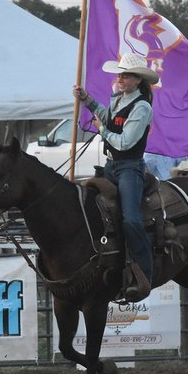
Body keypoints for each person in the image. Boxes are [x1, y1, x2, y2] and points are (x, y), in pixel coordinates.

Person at [74, 52, 158, 302]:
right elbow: (107, 115)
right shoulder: (118, 99)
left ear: (137, 80)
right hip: (112, 165)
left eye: (126, 75)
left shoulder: (142, 107)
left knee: (131, 220)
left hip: (129, 167)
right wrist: (87, 100)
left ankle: (145, 272)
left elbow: (124, 142)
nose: (120, 78)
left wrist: (101, 129)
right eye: (120, 74)